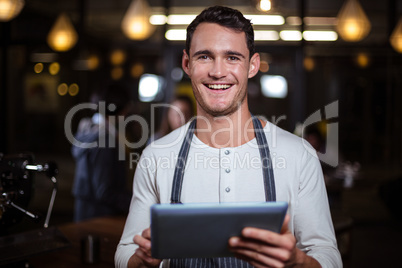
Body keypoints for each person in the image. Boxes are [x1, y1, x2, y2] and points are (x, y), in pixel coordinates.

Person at [115, 6, 342, 268]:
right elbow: (125, 252)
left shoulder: (298, 155)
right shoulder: (156, 156)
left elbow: (328, 255)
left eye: (232, 57)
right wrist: (141, 260)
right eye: (205, 57)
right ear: (187, 64)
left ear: (253, 65)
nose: (218, 72)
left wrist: (298, 263)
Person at [71, 84, 133, 222]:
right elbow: (104, 191)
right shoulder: (104, 138)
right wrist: (137, 203)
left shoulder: (89, 129)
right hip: (99, 218)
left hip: (85, 213)